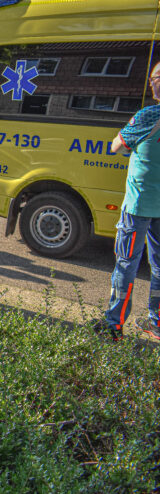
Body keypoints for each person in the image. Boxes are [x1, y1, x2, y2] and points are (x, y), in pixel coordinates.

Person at [92, 62, 160, 342]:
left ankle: (113, 325)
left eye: (155, 77)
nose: (151, 82)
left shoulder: (149, 115)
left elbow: (116, 146)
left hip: (139, 206)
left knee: (126, 264)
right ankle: (157, 321)